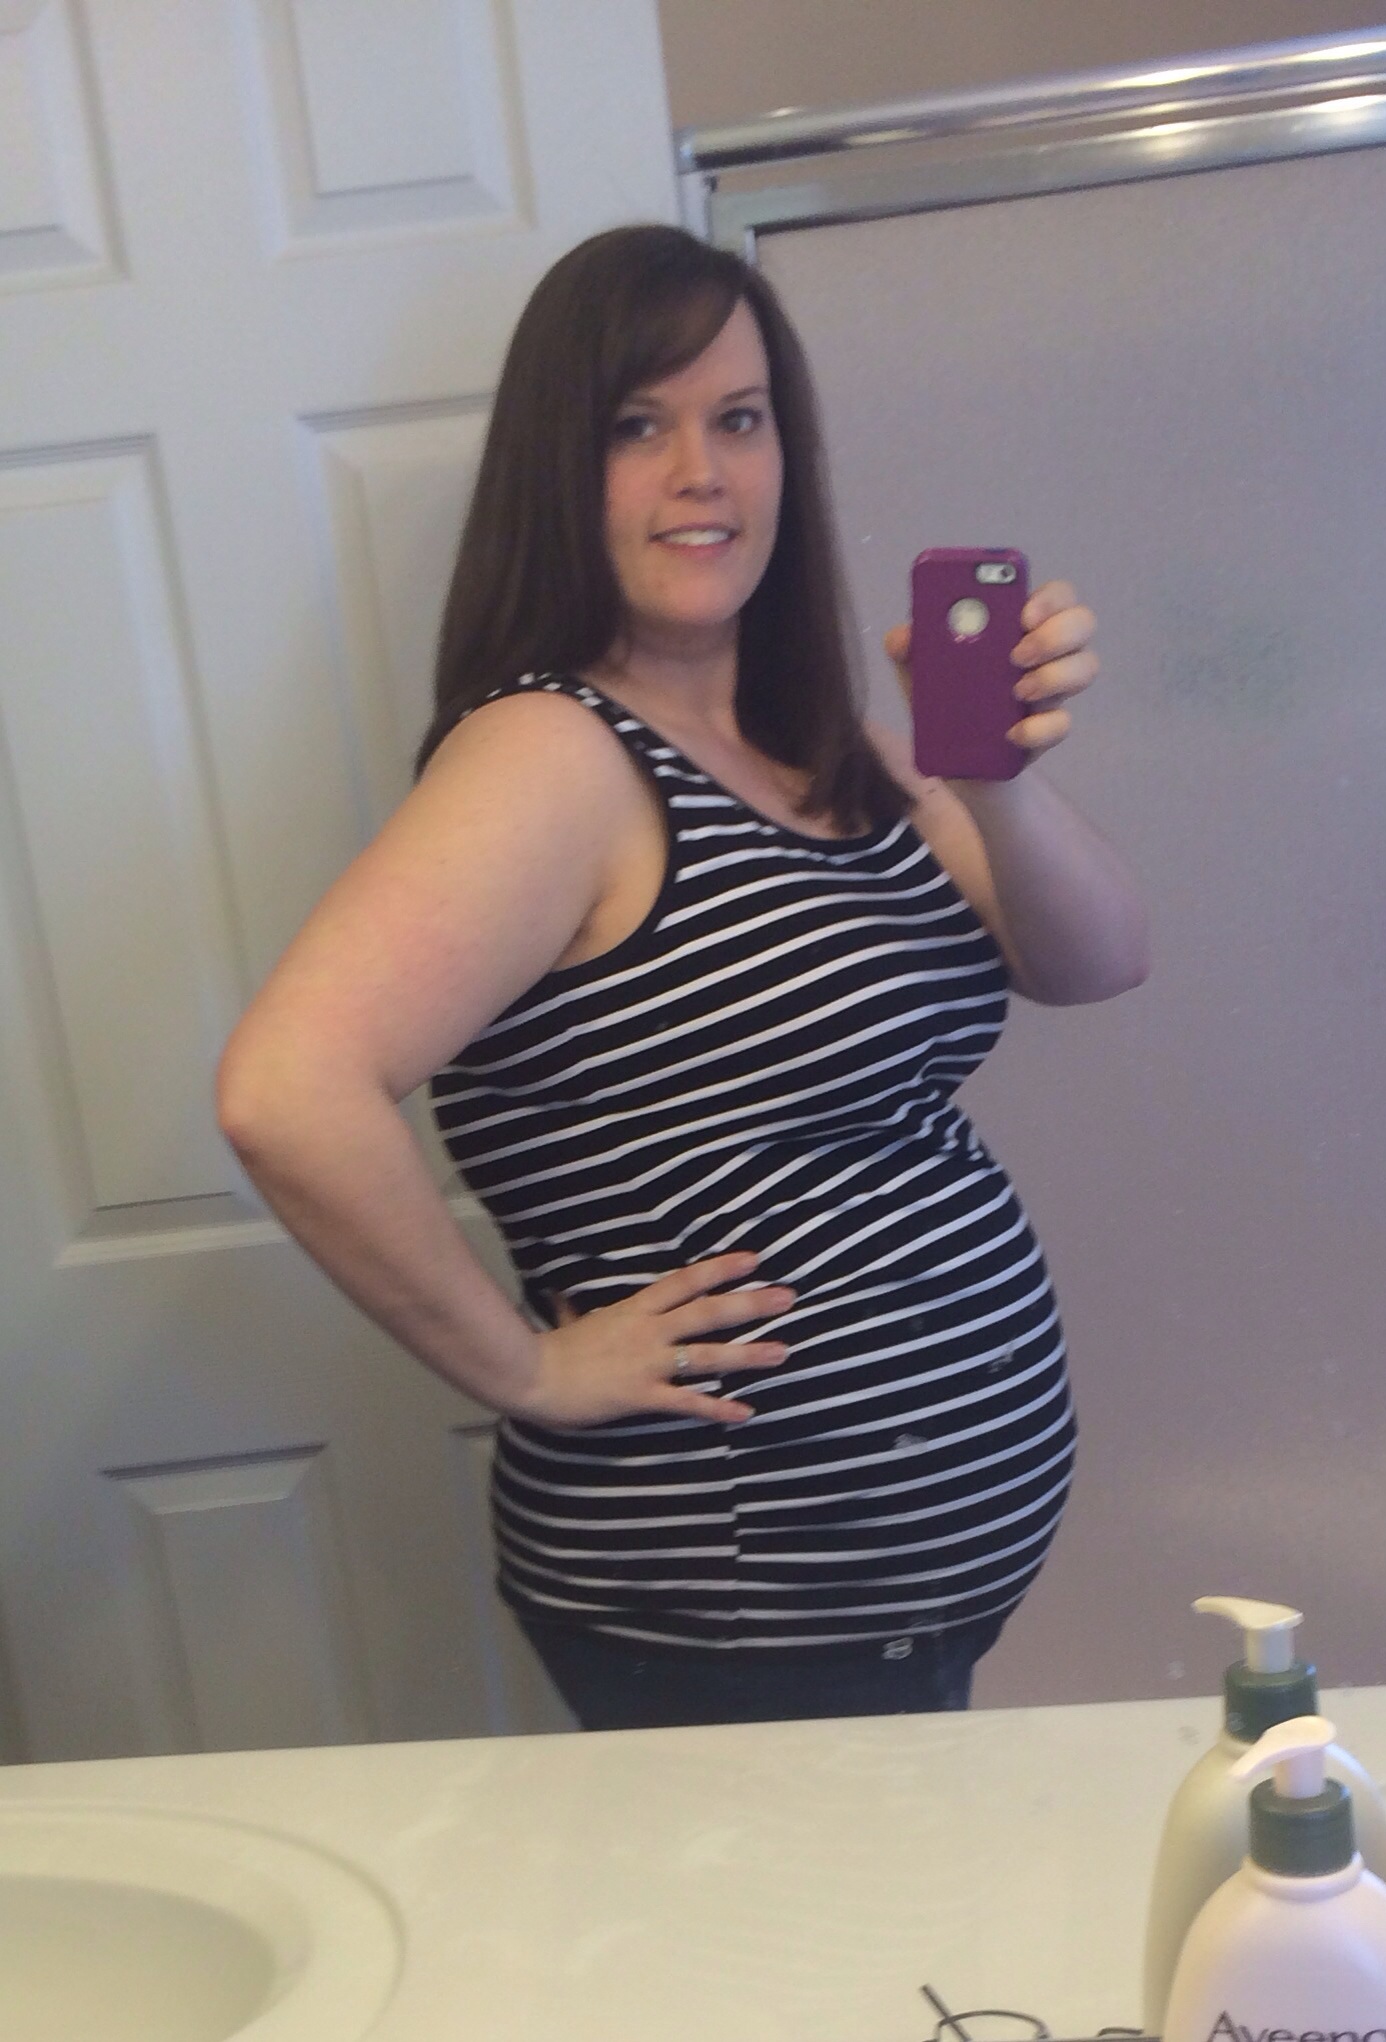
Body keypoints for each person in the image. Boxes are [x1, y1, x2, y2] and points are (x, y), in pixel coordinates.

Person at [217, 223, 1148, 1731]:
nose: (701, 472)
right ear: (557, 467)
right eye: (637, 427)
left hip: (896, 1584)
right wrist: (526, 1369)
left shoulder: (823, 747)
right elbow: (284, 1090)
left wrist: (998, 782)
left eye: (740, 418)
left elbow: (1097, 960)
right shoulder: (552, 755)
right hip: (744, 1590)